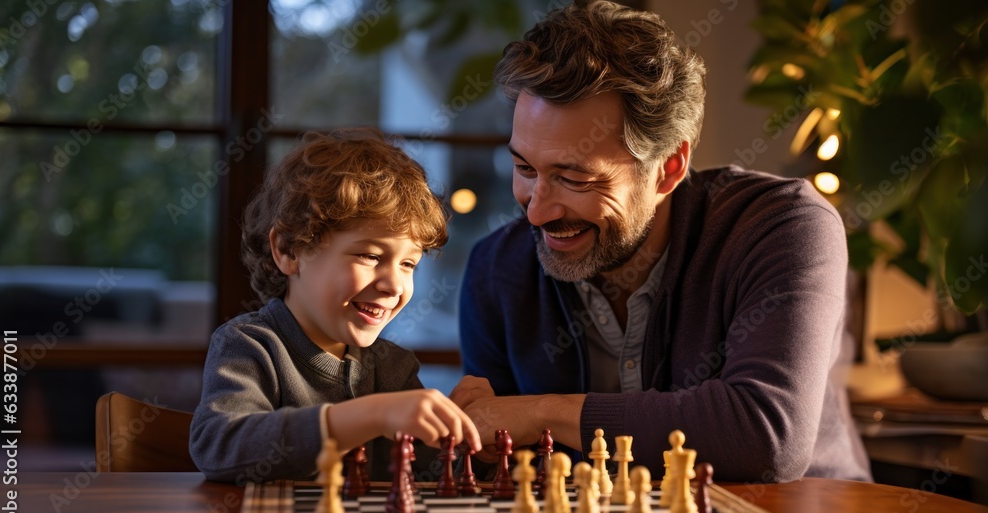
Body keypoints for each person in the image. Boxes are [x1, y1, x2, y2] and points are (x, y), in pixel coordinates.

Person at [450, 0, 871, 482]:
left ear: (668, 168)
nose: (538, 210)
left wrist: (538, 412)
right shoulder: (495, 269)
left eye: (575, 179)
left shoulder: (782, 226)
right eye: (525, 168)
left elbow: (765, 437)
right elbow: (496, 467)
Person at [190, 128, 481, 483]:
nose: (393, 285)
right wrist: (371, 415)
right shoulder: (250, 347)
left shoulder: (392, 369)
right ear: (288, 250)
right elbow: (219, 445)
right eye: (369, 255)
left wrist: (476, 439)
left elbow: (438, 470)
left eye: (409, 264)